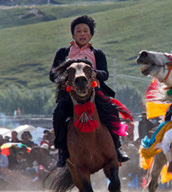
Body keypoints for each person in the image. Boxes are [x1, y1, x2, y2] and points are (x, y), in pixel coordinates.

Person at [49, 15, 129, 167]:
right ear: (73, 35)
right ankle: (62, 151)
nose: (82, 34)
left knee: (112, 110)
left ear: (91, 34)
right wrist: (66, 73)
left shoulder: (97, 53)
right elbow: (52, 75)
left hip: (93, 93)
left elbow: (105, 74)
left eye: (85, 31)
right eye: (78, 31)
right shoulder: (63, 53)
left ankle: (117, 148)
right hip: (70, 95)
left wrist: (93, 73)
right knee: (59, 113)